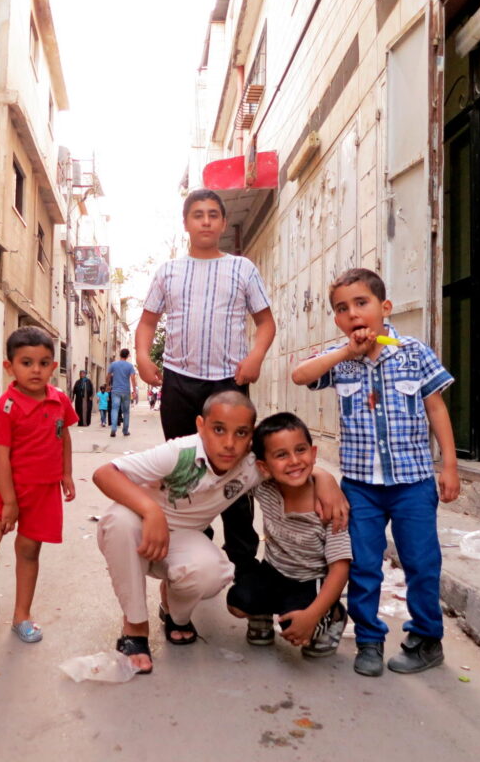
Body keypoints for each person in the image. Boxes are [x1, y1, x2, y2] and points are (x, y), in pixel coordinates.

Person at [92, 391, 348, 673]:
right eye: (218, 430)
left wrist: (324, 478)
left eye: (241, 433)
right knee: (119, 521)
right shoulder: (179, 453)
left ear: (251, 436)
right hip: (140, 529)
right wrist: (151, 511)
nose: (229, 444)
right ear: (201, 426)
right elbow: (105, 473)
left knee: (212, 571)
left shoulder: (252, 466)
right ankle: (135, 627)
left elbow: (292, 466)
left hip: (182, 539)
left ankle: (175, 614)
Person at [292, 268, 459, 677]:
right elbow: (300, 375)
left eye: (361, 303)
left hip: (413, 483)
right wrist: (344, 353)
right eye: (342, 309)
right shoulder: (340, 361)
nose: (353, 314)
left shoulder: (414, 352)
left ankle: (426, 638)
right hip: (361, 487)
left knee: (421, 562)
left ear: (384, 308)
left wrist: (449, 467)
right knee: (363, 564)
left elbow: (436, 408)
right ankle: (369, 640)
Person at [135, 188, 276, 580]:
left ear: (223, 222)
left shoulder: (242, 269)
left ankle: (245, 571)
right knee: (185, 474)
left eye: (213, 214)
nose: (206, 221)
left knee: (234, 472)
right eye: (198, 215)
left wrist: (256, 357)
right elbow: (147, 322)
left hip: (228, 385)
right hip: (180, 384)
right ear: (186, 224)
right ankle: (189, 559)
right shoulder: (168, 272)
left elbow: (266, 322)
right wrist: (145, 357)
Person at [0, 326, 77, 651]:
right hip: (5, 491)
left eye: (44, 363)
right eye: (27, 362)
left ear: (52, 367)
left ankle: (22, 615)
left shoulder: (59, 400)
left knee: (29, 550)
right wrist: (9, 502)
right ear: (9, 367)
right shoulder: (7, 406)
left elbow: (64, 437)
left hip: (44, 490)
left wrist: (66, 474)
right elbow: (0, 456)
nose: (36, 370)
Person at [226, 413, 351, 658]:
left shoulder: (329, 506)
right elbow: (237, 459)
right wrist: (322, 475)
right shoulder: (264, 487)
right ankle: (260, 614)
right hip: (274, 572)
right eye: (281, 455)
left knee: (300, 632)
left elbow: (340, 568)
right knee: (237, 600)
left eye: (300, 450)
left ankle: (333, 616)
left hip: (310, 581)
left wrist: (312, 615)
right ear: (264, 466)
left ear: (313, 454)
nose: (294, 461)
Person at [107, 348, 137, 437]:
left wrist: (107, 385)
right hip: (126, 391)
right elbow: (133, 378)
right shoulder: (130, 366)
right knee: (126, 411)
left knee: (115, 409)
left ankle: (113, 428)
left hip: (115, 390)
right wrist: (134, 391)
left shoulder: (113, 364)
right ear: (127, 356)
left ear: (120, 354)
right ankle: (125, 431)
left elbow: (108, 376)